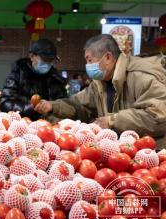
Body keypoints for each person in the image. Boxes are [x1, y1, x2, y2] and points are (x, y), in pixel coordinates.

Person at [34, 34, 166, 149]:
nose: (87, 65)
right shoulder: (99, 83)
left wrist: (112, 121)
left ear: (108, 57)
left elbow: (157, 116)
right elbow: (79, 105)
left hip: (153, 153)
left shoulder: (142, 76)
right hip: (122, 152)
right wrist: (53, 106)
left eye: (89, 60)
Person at [0, 38, 67, 121]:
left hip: (49, 126)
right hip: (22, 125)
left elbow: (64, 105)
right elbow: (5, 103)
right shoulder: (18, 74)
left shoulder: (56, 79)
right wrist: (31, 109)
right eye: (44, 60)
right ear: (31, 56)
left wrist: (52, 107)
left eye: (51, 61)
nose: (47, 64)